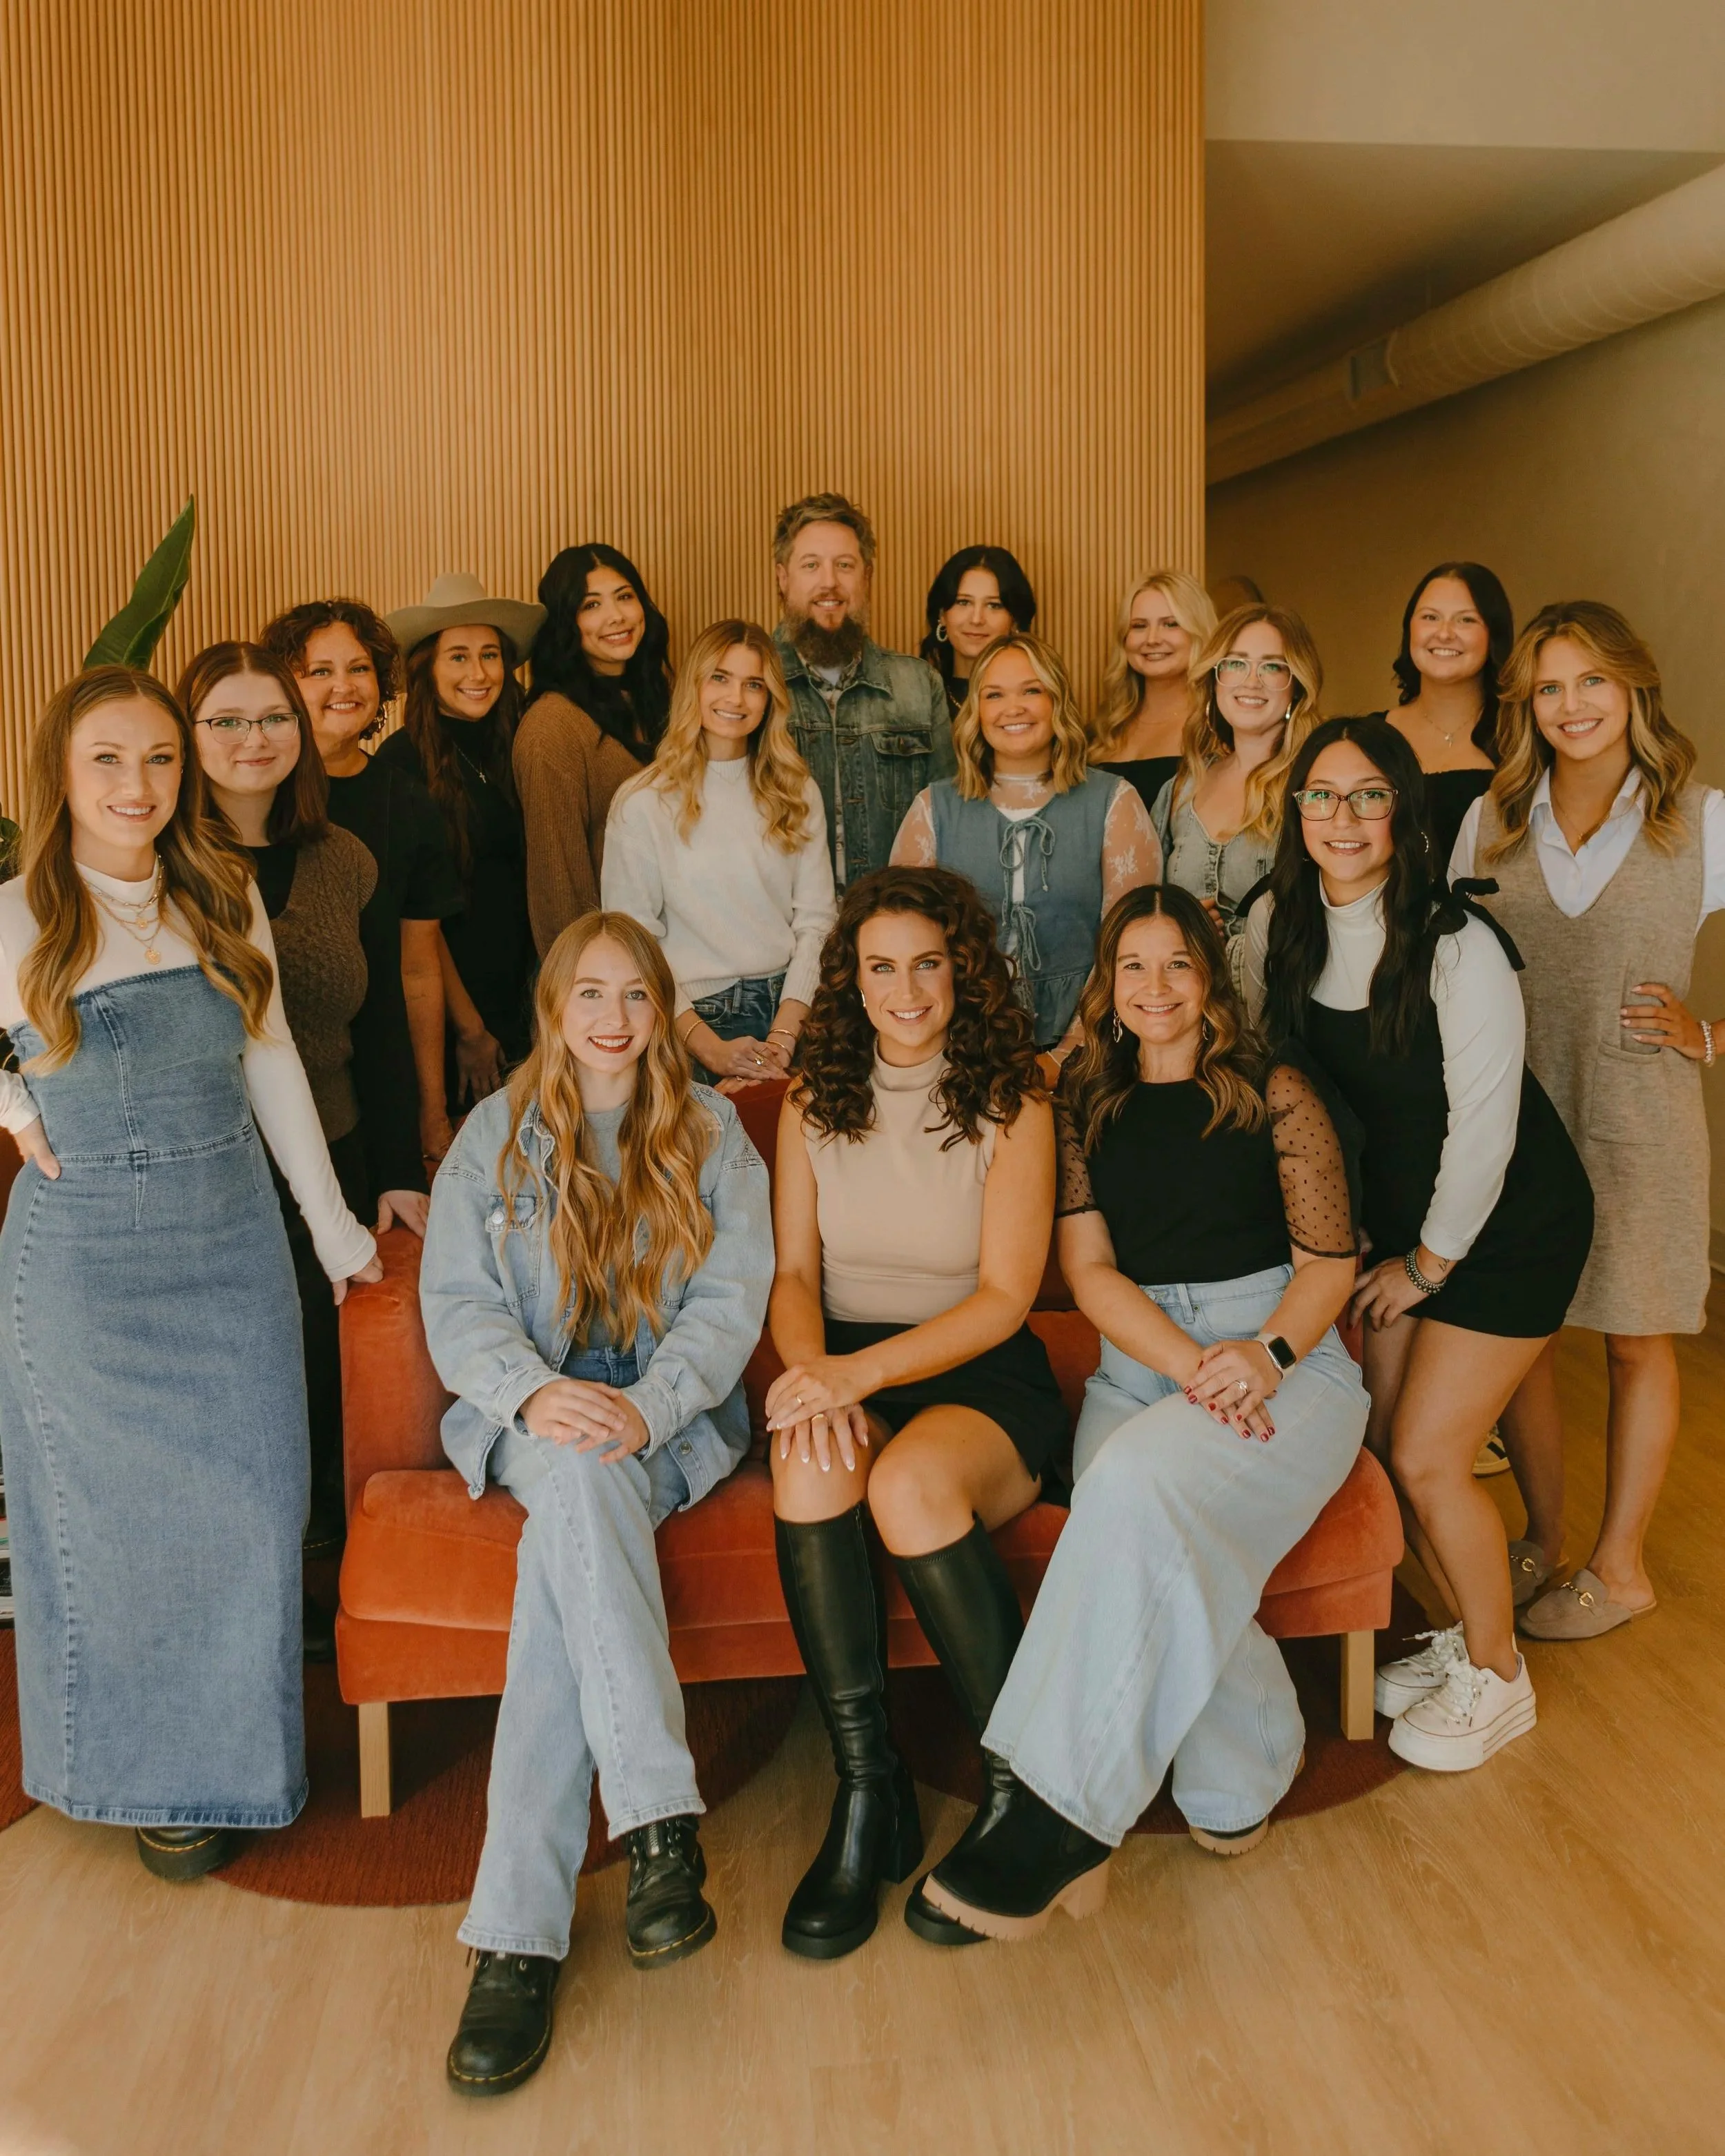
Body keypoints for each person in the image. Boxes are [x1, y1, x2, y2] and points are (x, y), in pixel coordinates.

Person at [909, 885, 1367, 1941]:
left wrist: (1260, 1354)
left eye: (1177, 965)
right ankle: (1249, 1764)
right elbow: (1090, 1269)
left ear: (1209, 980)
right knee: (1147, 1515)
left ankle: (1051, 1813)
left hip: (1287, 1366)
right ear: (1108, 989)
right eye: (1134, 969)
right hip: (1141, 1364)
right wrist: (1193, 1364)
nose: (1155, 988)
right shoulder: (1080, 1098)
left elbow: (1329, 1266)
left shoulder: (1275, 1089)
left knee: (1125, 1488)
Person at [0, 667, 377, 1883]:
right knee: (110, 1527)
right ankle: (143, 1779)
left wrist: (334, 1236)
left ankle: (238, 1763)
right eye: (107, 759)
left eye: (159, 758)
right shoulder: (14, 916)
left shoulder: (218, 891)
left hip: (229, 1244)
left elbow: (272, 1066)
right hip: (86, 1263)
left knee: (258, 1510)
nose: (137, 784)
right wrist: (10, 1101)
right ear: (62, 772)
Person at [422, 912, 770, 2096]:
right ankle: (657, 1827)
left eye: (635, 995)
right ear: (554, 1008)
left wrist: (655, 1402)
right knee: (572, 1468)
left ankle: (514, 1943)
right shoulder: (496, 1135)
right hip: (535, 1419)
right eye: (590, 995)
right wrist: (536, 1392)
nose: (613, 1019)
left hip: (667, 1424)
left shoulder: (716, 1134)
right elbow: (459, 1305)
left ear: (662, 1006)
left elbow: (731, 1304)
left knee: (559, 1572)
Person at [1243, 717, 1593, 1773]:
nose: (1341, 819)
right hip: (1393, 1228)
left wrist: (1430, 1267)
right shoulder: (1275, 924)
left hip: (1509, 1224)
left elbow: (1485, 1131)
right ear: (1294, 810)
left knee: (1431, 1457)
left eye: (1367, 797)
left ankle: (1500, 1676)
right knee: (1382, 1441)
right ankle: (1465, 1631)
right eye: (1320, 796)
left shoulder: (1457, 944)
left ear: (1404, 812)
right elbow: (1271, 1074)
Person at [763, 865, 1063, 1959]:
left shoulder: (1014, 1095)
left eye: (927, 964)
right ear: (850, 976)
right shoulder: (810, 1094)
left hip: (975, 1374)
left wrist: (861, 1379)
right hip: (844, 1361)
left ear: (961, 969)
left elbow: (1004, 1299)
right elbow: (795, 1275)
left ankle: (1019, 1789)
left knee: (906, 1484)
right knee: (808, 1465)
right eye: (880, 966)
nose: (905, 989)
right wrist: (813, 1380)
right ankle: (868, 1792)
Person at [1451, 602, 1724, 1638]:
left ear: (1633, 689)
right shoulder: (1490, 819)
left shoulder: (1703, 818)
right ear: (1528, 704)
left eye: (1593, 682)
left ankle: (1623, 1565)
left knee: (1634, 1343)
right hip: (1517, 1118)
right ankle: (1543, 1538)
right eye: (1552, 687)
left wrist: (1707, 1037)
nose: (1573, 707)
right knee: (1518, 1342)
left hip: (1640, 1121)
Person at [181, 640, 427, 1605]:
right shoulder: (159, 859)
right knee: (229, 1398)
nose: (255, 739)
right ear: (187, 735)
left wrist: (400, 1170)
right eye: (226, 721)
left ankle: (320, 1597)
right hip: (209, 1173)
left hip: (333, 1158)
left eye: (273, 718)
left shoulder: (345, 861)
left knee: (325, 1393)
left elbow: (379, 1028)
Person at [261, 596, 466, 1160]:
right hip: (274, 1076)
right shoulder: (253, 794)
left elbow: (418, 969)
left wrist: (432, 1109)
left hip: (381, 1070)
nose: (344, 686)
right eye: (319, 672)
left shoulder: (407, 802)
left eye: (358, 668)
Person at [891, 633, 1159, 1056]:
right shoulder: (932, 809)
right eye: (994, 695)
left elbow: (1131, 947)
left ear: (1057, 700)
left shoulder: (1115, 801)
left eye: (1031, 690)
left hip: (1092, 1049)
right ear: (977, 711)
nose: (1013, 708)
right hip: (958, 1049)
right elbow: (906, 950)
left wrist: (1071, 1049)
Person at [602, 618, 835, 1089]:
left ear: (770, 698)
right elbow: (634, 943)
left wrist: (783, 1040)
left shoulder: (796, 790)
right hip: (691, 1021)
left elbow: (817, 921)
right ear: (694, 686)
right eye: (720, 678)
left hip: (794, 1011)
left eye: (754, 685)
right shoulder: (643, 801)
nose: (736, 699)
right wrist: (709, 1048)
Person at [379, 575, 544, 1109]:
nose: (478, 674)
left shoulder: (525, 740)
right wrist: (469, 1030)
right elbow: (415, 923)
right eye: (458, 657)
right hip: (453, 1012)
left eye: (490, 655)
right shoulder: (400, 764)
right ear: (427, 665)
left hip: (533, 998)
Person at [772, 492, 955, 890]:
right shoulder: (751, 686)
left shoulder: (919, 687)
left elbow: (950, 826)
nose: (829, 582)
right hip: (782, 934)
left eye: (844, 565)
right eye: (811, 565)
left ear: (867, 576)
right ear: (783, 578)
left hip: (895, 927)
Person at [514, 545, 674, 959]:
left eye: (624, 596)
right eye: (591, 605)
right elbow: (558, 885)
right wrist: (583, 989)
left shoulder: (662, 701)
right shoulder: (552, 727)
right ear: (566, 623)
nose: (616, 616)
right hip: (608, 973)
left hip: (683, 960)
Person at [1154, 604, 1321, 967]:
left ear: (1296, 685)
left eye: (1272, 666)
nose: (1251, 681)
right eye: (1236, 663)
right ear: (1215, 679)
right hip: (1185, 1006)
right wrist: (1182, 923)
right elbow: (1145, 907)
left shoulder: (1314, 786)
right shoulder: (1181, 788)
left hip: (1280, 1001)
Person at [1357, 562, 1514, 864]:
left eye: (1466, 620)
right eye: (1430, 617)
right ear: (1410, 630)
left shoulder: (1522, 737)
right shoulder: (1369, 737)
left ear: (1494, 634)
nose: (1444, 634)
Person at [1089, 569, 1218, 814]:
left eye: (1170, 624)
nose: (1152, 639)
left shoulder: (1218, 729)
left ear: (1198, 632)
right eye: (1139, 626)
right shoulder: (1102, 729)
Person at [920, 547, 1038, 719]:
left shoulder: (1039, 698)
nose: (976, 619)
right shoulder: (918, 700)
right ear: (942, 615)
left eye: (993, 605)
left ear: (1015, 620)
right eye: (963, 602)